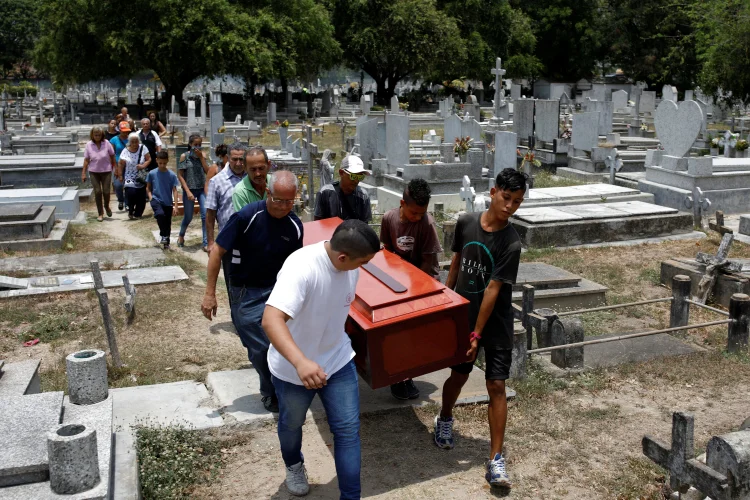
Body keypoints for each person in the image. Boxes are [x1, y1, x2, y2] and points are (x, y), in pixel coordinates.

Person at [262, 219, 380, 498]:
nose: (363, 267)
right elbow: (270, 320)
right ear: (342, 257)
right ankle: (293, 464)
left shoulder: (350, 268)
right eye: (362, 262)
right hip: (293, 369)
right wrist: (302, 362)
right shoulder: (302, 268)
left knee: (348, 430)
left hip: (337, 360)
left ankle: (350, 497)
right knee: (291, 424)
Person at [433, 168, 527, 489]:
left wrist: (477, 334)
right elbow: (457, 264)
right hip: (463, 316)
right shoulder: (466, 223)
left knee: (496, 386)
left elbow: (493, 290)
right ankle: (445, 418)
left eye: (517, 202)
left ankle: (495, 459)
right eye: (506, 197)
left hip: (495, 324)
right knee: (458, 377)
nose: (510, 206)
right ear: (492, 191)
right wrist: (444, 302)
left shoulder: (511, 243)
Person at [202, 170, 304, 414]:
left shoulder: (294, 226)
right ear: (268, 193)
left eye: (290, 201)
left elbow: (297, 265)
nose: (283, 206)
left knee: (279, 343)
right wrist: (209, 293)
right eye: (279, 200)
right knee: (259, 347)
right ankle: (272, 389)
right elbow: (217, 252)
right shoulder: (247, 216)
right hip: (245, 291)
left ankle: (276, 390)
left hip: (277, 290)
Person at [380, 178, 442, 401]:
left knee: (412, 336)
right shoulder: (388, 219)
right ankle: (398, 376)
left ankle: (406, 376)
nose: (418, 217)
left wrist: (413, 292)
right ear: (402, 203)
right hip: (396, 283)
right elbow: (386, 253)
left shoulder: (427, 224)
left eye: (422, 213)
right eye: (414, 213)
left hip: (421, 284)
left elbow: (427, 264)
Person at [205, 143, 246, 300]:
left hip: (251, 239)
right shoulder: (217, 181)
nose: (238, 163)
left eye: (241, 159)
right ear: (228, 158)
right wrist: (210, 242)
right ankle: (236, 314)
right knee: (232, 280)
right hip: (228, 241)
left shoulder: (252, 178)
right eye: (234, 159)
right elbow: (210, 214)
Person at [314, 155, 372, 222]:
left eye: (360, 177)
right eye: (353, 176)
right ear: (341, 173)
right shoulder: (325, 193)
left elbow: (364, 228)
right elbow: (318, 224)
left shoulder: (363, 196)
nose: (356, 181)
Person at [177, 134, 210, 251]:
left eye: (199, 145)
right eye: (195, 145)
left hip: (202, 189)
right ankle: (181, 235)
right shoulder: (184, 157)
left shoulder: (203, 156)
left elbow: (208, 172)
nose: (197, 147)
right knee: (188, 216)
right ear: (190, 144)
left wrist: (201, 158)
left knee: (205, 215)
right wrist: (187, 191)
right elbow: (180, 176)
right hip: (189, 190)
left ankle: (206, 242)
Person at [81, 126, 117, 222]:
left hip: (106, 170)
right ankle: (100, 213)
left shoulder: (106, 143)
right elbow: (86, 160)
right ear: (92, 135)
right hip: (94, 171)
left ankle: (107, 206)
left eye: (99, 135)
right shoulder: (89, 145)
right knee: (97, 192)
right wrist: (83, 173)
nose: (97, 136)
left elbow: (112, 156)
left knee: (106, 191)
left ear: (102, 135)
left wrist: (116, 169)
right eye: (95, 135)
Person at [147, 151, 180, 249]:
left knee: (167, 222)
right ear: (156, 160)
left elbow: (175, 190)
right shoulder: (152, 173)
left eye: (164, 163)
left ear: (167, 161)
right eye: (160, 163)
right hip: (156, 199)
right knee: (160, 215)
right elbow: (148, 187)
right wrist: (151, 198)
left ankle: (166, 243)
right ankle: (163, 234)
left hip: (168, 202)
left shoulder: (172, 175)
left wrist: (176, 206)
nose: (162, 165)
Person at [118, 133, 151, 220]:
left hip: (140, 176)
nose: (135, 144)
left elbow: (149, 159)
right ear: (129, 142)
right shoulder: (125, 150)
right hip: (129, 176)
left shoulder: (143, 148)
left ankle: (137, 213)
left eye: (136, 141)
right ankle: (130, 209)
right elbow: (121, 163)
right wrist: (120, 175)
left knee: (141, 196)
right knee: (131, 192)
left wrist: (143, 166)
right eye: (132, 142)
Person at [231, 147, 271, 211]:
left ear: (269, 165)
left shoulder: (276, 184)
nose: (258, 174)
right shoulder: (240, 192)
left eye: (261, 168)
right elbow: (244, 219)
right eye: (253, 169)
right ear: (245, 168)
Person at [110, 121, 131, 211]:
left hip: (130, 165)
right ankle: (120, 200)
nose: (125, 133)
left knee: (129, 185)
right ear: (120, 130)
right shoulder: (114, 140)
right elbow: (111, 154)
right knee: (118, 184)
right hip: (118, 165)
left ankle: (127, 203)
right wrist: (115, 167)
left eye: (127, 131)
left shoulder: (131, 139)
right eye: (123, 131)